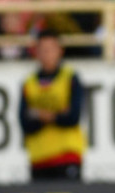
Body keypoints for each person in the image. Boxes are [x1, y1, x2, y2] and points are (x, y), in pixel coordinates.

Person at [18, 30, 86, 181]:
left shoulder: (70, 78)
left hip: (67, 155)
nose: (47, 54)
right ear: (36, 52)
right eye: (42, 50)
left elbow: (73, 117)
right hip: (39, 158)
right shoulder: (28, 83)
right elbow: (24, 122)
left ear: (60, 51)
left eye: (50, 49)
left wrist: (39, 114)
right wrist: (58, 113)